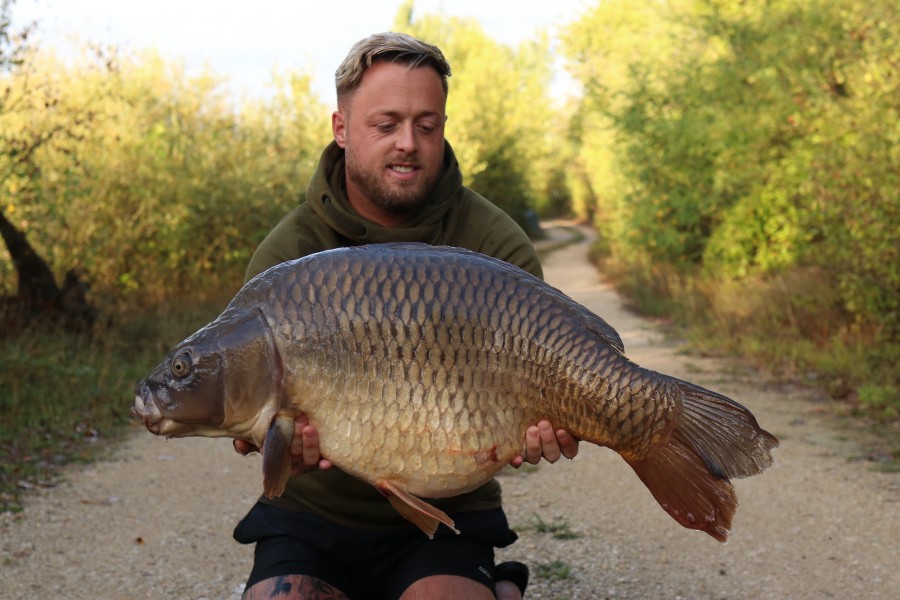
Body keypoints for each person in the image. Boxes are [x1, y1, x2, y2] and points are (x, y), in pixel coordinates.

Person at [232, 32, 579, 600]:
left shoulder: (495, 244)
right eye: (386, 124)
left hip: (449, 511)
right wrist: (263, 437)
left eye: (427, 125)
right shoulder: (288, 255)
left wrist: (545, 424)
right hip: (313, 517)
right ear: (341, 128)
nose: (408, 144)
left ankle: (491, 586)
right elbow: (248, 412)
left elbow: (542, 384)